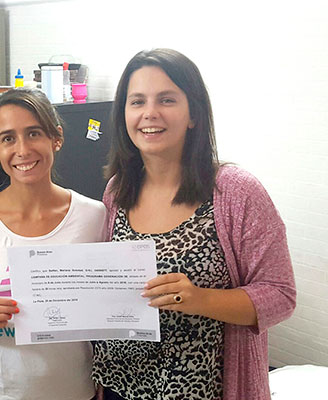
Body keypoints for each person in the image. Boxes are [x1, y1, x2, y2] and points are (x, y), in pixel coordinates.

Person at [92, 49, 296, 400]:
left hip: (199, 389)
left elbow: (281, 295)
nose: (150, 113)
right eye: (137, 101)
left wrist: (199, 299)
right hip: (119, 385)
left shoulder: (236, 192)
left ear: (194, 114)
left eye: (167, 99)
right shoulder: (117, 191)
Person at [0, 88, 106, 400]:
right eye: (8, 138)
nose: (22, 149)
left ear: (56, 138)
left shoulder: (94, 216)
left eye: (33, 133)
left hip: (74, 388)